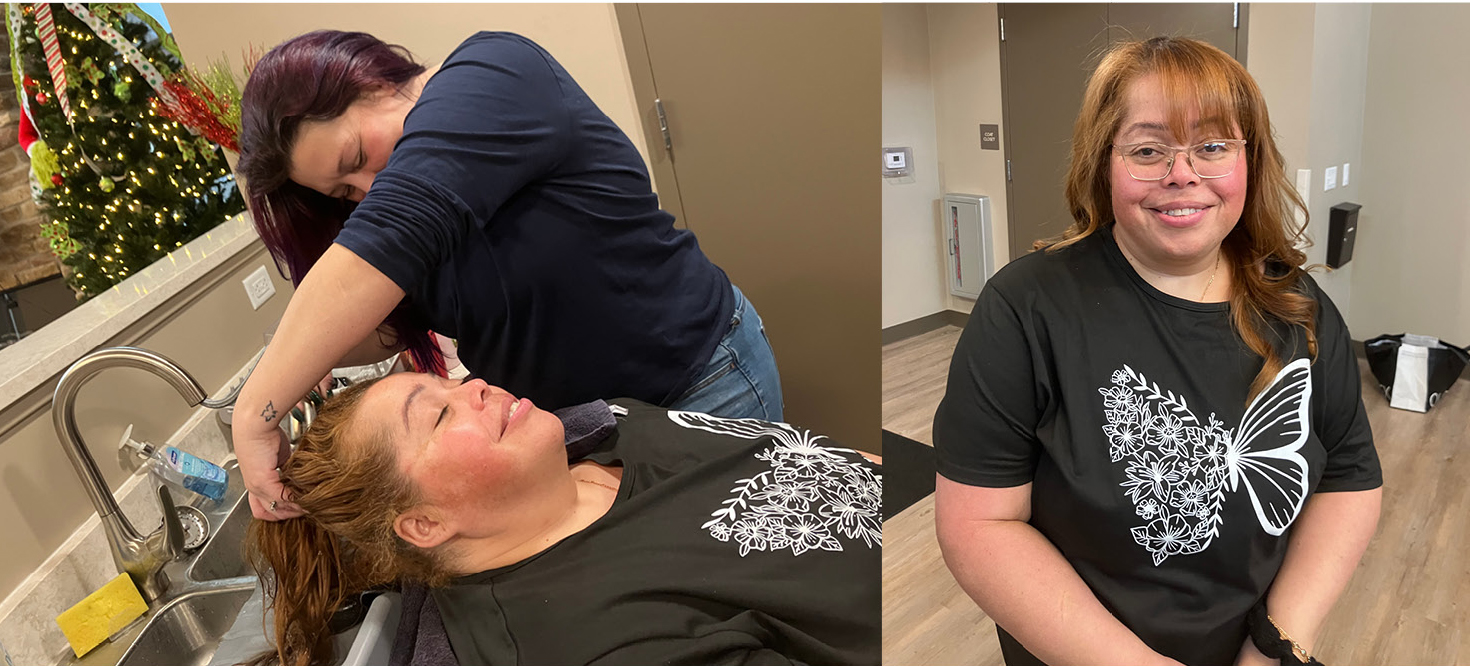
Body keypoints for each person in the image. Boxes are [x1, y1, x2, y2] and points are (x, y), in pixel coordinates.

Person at [932, 37, 1382, 666]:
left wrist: (1276, 644)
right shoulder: (1025, 308)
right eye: (1148, 150)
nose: (1182, 174)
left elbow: (1348, 478)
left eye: (1214, 146)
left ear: (1249, 162)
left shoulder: (1299, 309)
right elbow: (979, 526)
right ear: (1103, 163)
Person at [232, 30, 783, 522]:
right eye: (345, 192)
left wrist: (256, 415)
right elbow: (390, 320)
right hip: (592, 431)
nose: (368, 189)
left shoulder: (493, 73)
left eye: (356, 155)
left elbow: (395, 227)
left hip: (700, 387)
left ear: (373, 79)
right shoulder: (396, 221)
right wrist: (306, 362)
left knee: (771, 567)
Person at [243, 374, 881, 666]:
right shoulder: (602, 639)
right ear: (426, 525)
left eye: (449, 385)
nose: (478, 388)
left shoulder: (598, 434)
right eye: (437, 416)